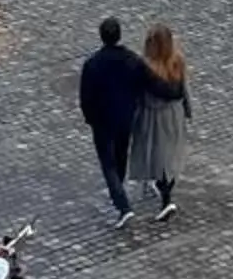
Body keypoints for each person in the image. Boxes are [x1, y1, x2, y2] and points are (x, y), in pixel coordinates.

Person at [78, 15, 159, 226]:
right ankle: (119, 189)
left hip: (102, 121)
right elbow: (145, 83)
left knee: (108, 164)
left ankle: (122, 204)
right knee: (121, 154)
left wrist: (90, 118)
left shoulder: (93, 64)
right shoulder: (132, 60)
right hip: (126, 117)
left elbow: (85, 97)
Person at [127, 22, 191, 220]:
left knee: (157, 154)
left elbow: (136, 92)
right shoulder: (177, 61)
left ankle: (165, 198)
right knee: (169, 154)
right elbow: (183, 89)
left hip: (153, 116)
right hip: (174, 114)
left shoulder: (145, 67)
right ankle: (165, 192)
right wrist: (187, 110)